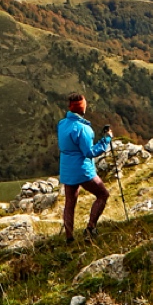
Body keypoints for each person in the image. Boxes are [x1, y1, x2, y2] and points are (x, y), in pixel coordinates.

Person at [57, 93, 112, 243]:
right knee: (102, 195)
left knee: (70, 203)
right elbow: (89, 152)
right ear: (83, 108)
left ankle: (69, 238)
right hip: (83, 169)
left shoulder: (61, 124)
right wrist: (106, 140)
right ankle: (91, 228)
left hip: (67, 170)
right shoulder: (83, 129)